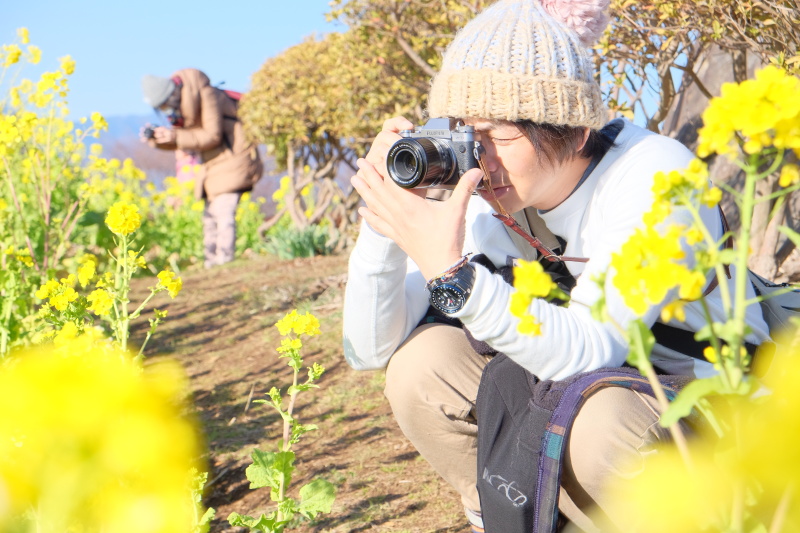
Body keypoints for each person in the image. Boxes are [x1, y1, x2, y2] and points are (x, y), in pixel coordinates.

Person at [341, 0, 771, 531]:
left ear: (574, 129)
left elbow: (591, 349)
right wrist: (383, 223)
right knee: (421, 365)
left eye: (498, 134)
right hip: (590, 392)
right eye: (463, 132)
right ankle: (506, 516)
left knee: (599, 424)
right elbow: (368, 350)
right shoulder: (490, 197)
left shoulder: (654, 177)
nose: (478, 158)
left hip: (712, 412)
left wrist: (454, 276)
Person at [141, 68, 263, 268]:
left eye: (164, 104)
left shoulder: (206, 94)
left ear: (172, 94)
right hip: (213, 164)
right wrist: (158, 140)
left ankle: (224, 262)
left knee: (223, 212)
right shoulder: (185, 106)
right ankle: (212, 264)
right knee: (210, 218)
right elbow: (188, 142)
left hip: (233, 158)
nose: (165, 109)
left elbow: (211, 136)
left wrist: (175, 136)